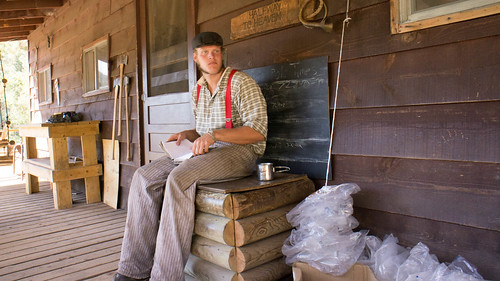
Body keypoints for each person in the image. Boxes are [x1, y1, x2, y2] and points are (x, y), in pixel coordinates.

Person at [114, 32, 268, 281]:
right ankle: (133, 270)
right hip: (206, 153)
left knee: (179, 177)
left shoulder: (242, 83)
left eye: (216, 51)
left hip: (240, 154)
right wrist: (188, 134)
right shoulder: (198, 90)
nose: (212, 56)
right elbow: (202, 131)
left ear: (222, 53)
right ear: (196, 57)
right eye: (205, 52)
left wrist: (214, 135)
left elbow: (257, 133)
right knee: (144, 176)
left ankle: (166, 276)